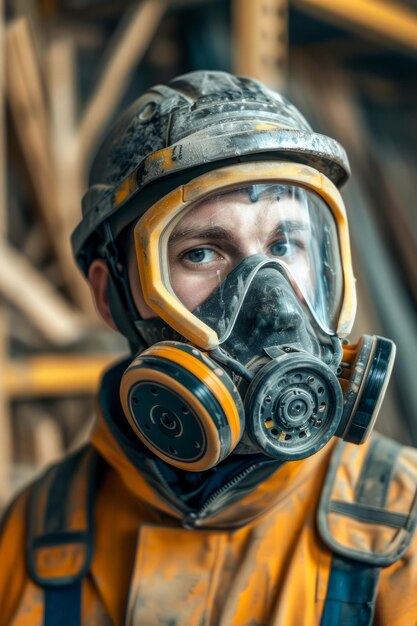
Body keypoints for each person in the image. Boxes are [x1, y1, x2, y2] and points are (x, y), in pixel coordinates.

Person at [1, 70, 416, 626]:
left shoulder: (402, 523)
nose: (272, 302)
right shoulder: (28, 538)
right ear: (112, 296)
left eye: (285, 244)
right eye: (201, 253)